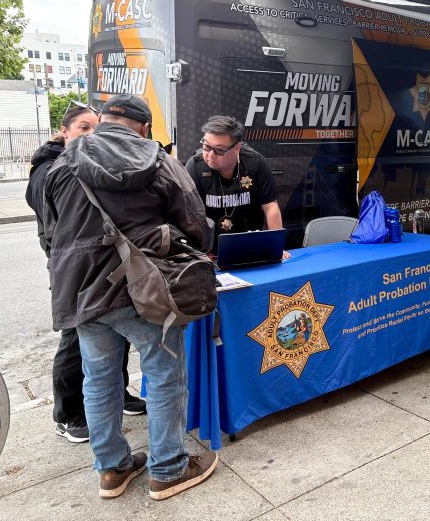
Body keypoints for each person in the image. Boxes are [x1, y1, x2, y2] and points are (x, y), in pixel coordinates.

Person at [43, 95, 217, 500]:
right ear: (143, 126)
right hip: (144, 290)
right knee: (164, 376)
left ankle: (112, 470)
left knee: (99, 380)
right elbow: (195, 223)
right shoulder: (157, 159)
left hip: (80, 291)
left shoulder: (62, 164)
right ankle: (169, 468)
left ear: (103, 121)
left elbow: (50, 232)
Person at [25, 103, 146, 445]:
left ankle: (118, 395)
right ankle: (68, 414)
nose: (91, 135)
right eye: (83, 128)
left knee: (113, 335)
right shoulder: (48, 169)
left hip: (105, 264)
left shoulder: (89, 162)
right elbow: (53, 222)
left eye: (97, 128)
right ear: (64, 131)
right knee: (75, 340)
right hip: (74, 269)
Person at [184, 115, 289, 256]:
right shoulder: (195, 166)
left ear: (237, 148)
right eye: (206, 146)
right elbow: (187, 215)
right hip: (210, 250)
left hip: (249, 244)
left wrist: (277, 247)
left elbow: (270, 207)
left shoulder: (255, 163)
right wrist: (199, 253)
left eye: (219, 150)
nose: (210, 155)